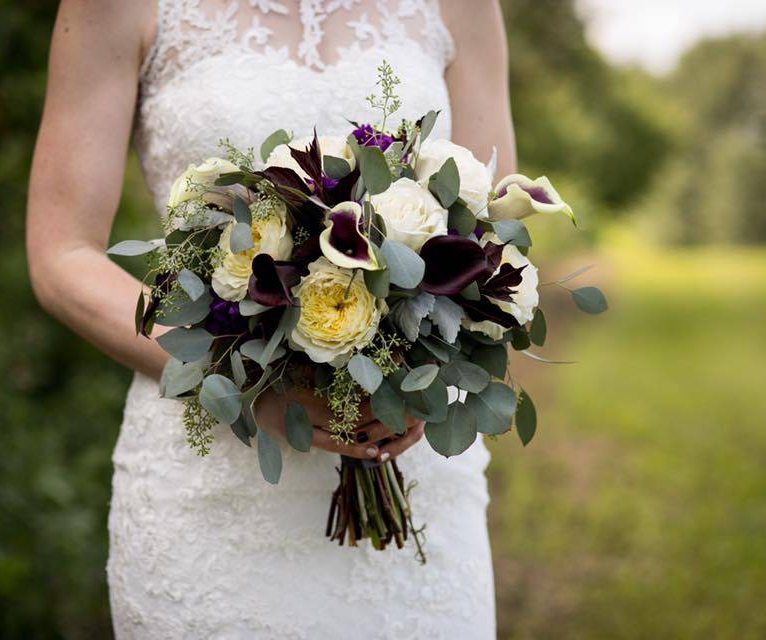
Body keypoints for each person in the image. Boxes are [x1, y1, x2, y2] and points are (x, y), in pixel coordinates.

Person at [26, 1, 516, 637]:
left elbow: (494, 225)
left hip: (416, 472)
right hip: (212, 485)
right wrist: (240, 385)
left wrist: (421, 362)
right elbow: (62, 254)